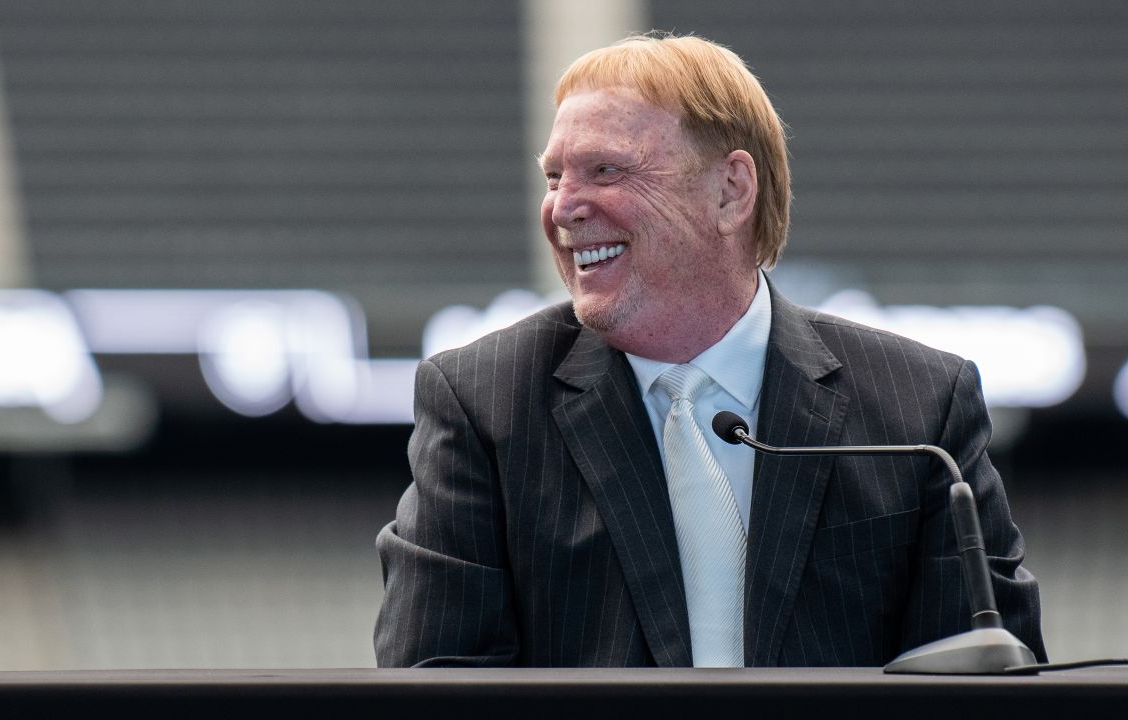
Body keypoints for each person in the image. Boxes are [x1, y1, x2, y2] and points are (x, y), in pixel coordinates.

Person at [374, 33, 1044, 668]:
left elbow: (989, 680)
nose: (563, 208)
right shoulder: (484, 404)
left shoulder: (922, 409)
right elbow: (436, 680)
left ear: (730, 191)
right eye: (554, 178)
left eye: (604, 170)